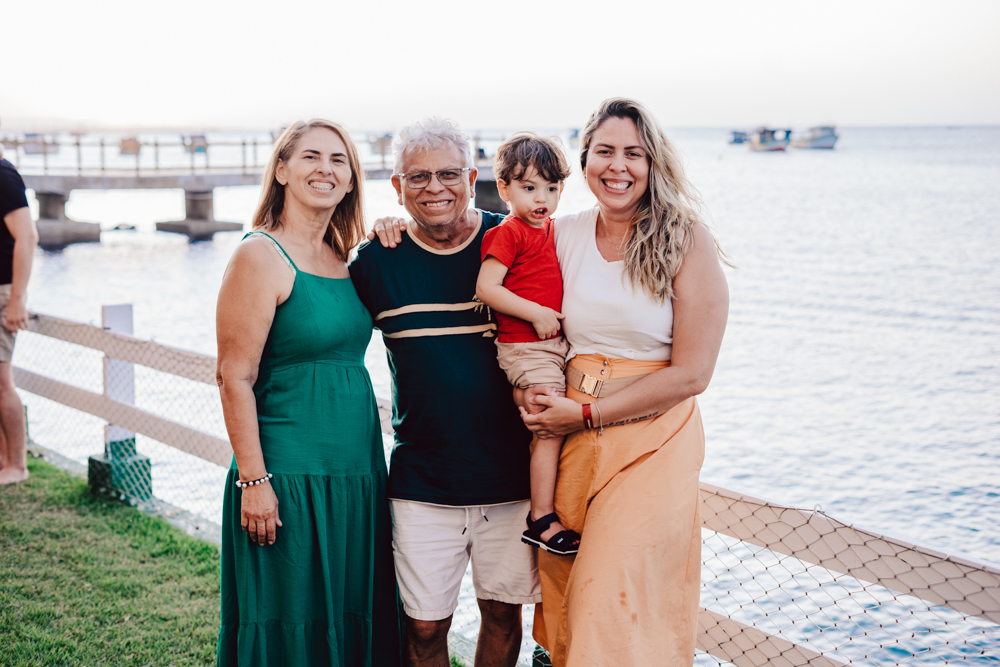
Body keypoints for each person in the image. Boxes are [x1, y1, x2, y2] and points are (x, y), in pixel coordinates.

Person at [519, 98, 729, 666]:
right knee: (569, 590)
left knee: (609, 593)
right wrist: (397, 226)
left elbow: (693, 373)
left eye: (633, 154)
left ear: (653, 162)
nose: (618, 166)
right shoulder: (558, 233)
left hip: (653, 439)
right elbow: (485, 250)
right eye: (605, 151)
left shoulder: (686, 240)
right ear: (584, 159)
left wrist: (588, 413)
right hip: (570, 439)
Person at [349, 118, 538, 667]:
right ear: (397, 187)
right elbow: (328, 338)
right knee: (425, 625)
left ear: (473, 178)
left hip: (513, 477)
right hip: (422, 481)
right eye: (419, 177)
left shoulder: (515, 242)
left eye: (449, 174)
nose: (435, 187)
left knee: (502, 614)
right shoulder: (376, 262)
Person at [215, 119, 401, 666]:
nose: (326, 169)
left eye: (339, 160)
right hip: (287, 476)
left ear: (352, 179)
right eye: (311, 157)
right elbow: (233, 377)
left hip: (357, 473)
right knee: (290, 618)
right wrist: (254, 481)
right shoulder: (260, 255)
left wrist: (394, 227)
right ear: (282, 170)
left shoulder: (345, 257)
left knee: (350, 611)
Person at [474, 133, 579, 556]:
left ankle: (550, 506)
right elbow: (486, 288)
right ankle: (541, 518)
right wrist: (535, 312)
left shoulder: (552, 229)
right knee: (551, 427)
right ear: (504, 189)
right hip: (526, 345)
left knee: (547, 417)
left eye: (551, 188)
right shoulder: (510, 231)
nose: (542, 199)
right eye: (529, 187)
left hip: (553, 347)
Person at [0, 133, 39, 486]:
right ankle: (3, 460)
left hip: (2, 292)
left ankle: (17, 465)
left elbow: (27, 236)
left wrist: (16, 298)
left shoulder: (3, 175)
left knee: (2, 383)